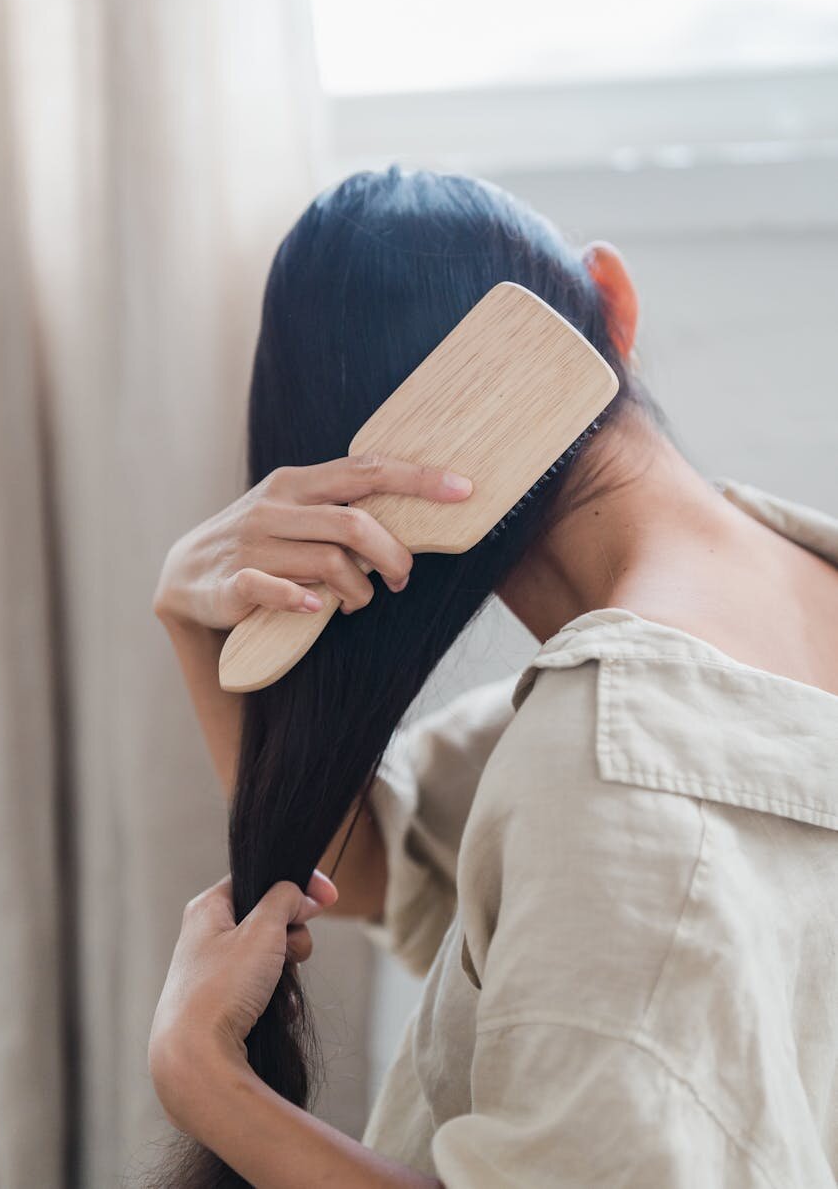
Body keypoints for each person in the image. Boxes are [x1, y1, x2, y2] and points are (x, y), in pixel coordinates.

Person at [148, 167, 838, 1188]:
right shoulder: (779, 592)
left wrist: (205, 1080)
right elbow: (377, 868)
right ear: (616, 298)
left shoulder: (605, 758)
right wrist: (189, 619)